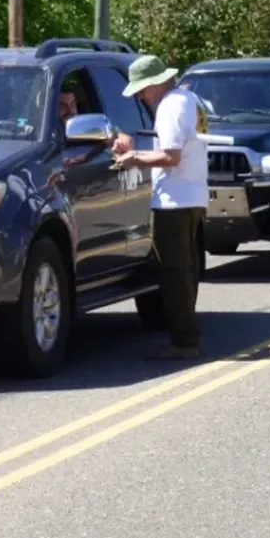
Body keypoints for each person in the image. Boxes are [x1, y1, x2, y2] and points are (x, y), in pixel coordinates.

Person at [111, 55, 210, 359]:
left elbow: (170, 156)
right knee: (185, 269)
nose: (141, 96)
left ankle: (183, 341)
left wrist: (133, 158)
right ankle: (187, 334)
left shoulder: (169, 107)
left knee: (174, 272)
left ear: (156, 83)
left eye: (142, 90)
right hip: (193, 197)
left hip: (174, 201)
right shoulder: (190, 99)